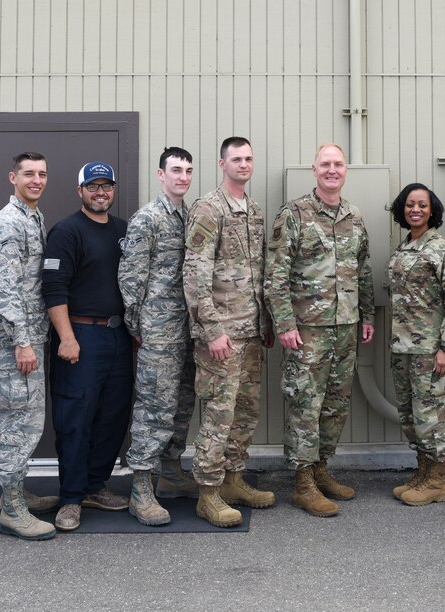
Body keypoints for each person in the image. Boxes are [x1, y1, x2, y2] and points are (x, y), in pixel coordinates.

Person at [265, 143, 374, 517]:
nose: (332, 170)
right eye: (325, 164)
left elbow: (363, 270)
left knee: (335, 406)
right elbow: (275, 276)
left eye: (338, 164)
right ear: (314, 170)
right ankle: (302, 483)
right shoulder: (294, 214)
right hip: (307, 329)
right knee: (305, 405)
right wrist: (284, 323)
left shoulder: (354, 216)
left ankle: (321, 468)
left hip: (345, 326)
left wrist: (367, 316)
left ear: (346, 170)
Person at [182, 137, 275, 527]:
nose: (243, 164)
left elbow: (258, 272)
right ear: (222, 164)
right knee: (219, 413)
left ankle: (234, 480)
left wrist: (265, 323)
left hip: (250, 332)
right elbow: (195, 273)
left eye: (248, 158)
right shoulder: (209, 208)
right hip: (221, 336)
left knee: (246, 412)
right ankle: (208, 492)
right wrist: (212, 329)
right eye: (236, 159)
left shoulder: (252, 210)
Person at [42, 162, 134, 532]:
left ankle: (96, 485)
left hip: (118, 335)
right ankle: (70, 498)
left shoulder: (124, 231)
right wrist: (66, 337)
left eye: (106, 185)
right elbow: (53, 288)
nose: (100, 192)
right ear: (80, 191)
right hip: (80, 336)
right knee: (75, 419)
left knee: (113, 415)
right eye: (92, 186)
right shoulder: (66, 232)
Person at [118, 147, 201, 526]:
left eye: (187, 171)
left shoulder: (190, 216)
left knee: (183, 402)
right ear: (160, 174)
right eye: (176, 170)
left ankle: (169, 471)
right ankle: (141, 487)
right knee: (154, 408)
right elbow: (130, 280)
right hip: (159, 330)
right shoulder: (147, 219)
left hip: (189, 327)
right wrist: (139, 327)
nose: (182, 177)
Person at [0, 152, 60, 541]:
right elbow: (4, 291)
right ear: (12, 176)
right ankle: (11, 510)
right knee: (19, 424)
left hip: (33, 338)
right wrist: (22, 342)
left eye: (42, 174)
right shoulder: (9, 223)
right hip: (20, 344)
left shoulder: (33, 216)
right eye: (29, 174)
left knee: (28, 421)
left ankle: (12, 495)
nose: (36, 180)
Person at [386, 183, 445, 506]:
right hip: (404, 348)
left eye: (422, 205)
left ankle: (438, 482)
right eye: (410, 205)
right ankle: (423, 472)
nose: (416, 210)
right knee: (411, 415)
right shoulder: (405, 247)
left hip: (431, 351)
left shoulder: (442, 249)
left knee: (430, 414)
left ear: (432, 209)